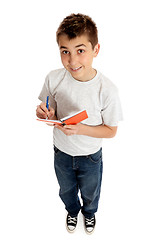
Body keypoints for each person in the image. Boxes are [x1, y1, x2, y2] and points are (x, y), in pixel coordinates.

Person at [36, 13, 123, 234]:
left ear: (96, 50)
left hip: (90, 155)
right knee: (66, 189)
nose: (72, 60)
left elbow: (111, 131)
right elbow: (49, 108)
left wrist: (81, 129)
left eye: (80, 51)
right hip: (61, 152)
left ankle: (90, 213)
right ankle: (72, 211)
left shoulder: (107, 90)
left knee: (91, 191)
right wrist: (46, 113)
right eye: (65, 51)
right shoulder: (53, 78)